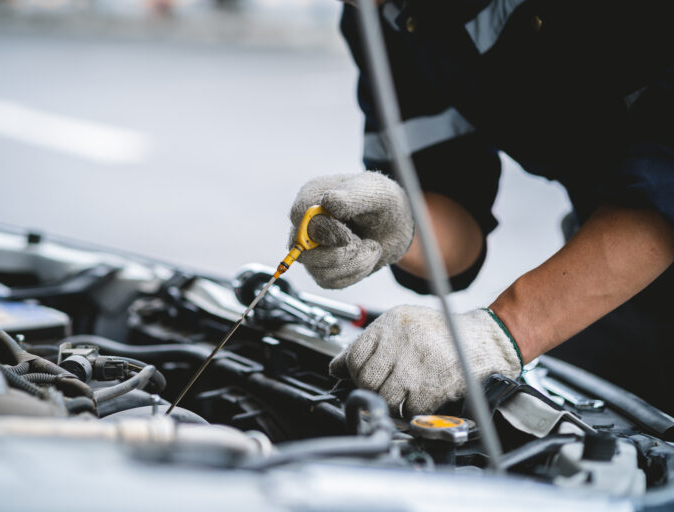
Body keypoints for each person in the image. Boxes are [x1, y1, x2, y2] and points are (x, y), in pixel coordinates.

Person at [289, 0, 674, 416]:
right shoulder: (383, 15)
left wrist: (504, 331)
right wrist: (396, 223)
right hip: (625, 280)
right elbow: (451, 202)